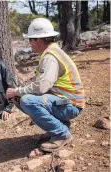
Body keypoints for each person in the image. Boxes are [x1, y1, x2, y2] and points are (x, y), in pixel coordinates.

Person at [6, 18, 85, 152]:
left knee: (27, 100)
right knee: (19, 99)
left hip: (71, 104)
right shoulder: (51, 52)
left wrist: (18, 91)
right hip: (64, 101)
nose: (29, 43)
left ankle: (61, 134)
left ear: (39, 40)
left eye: (30, 39)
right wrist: (18, 93)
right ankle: (60, 125)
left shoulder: (50, 57)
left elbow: (42, 86)